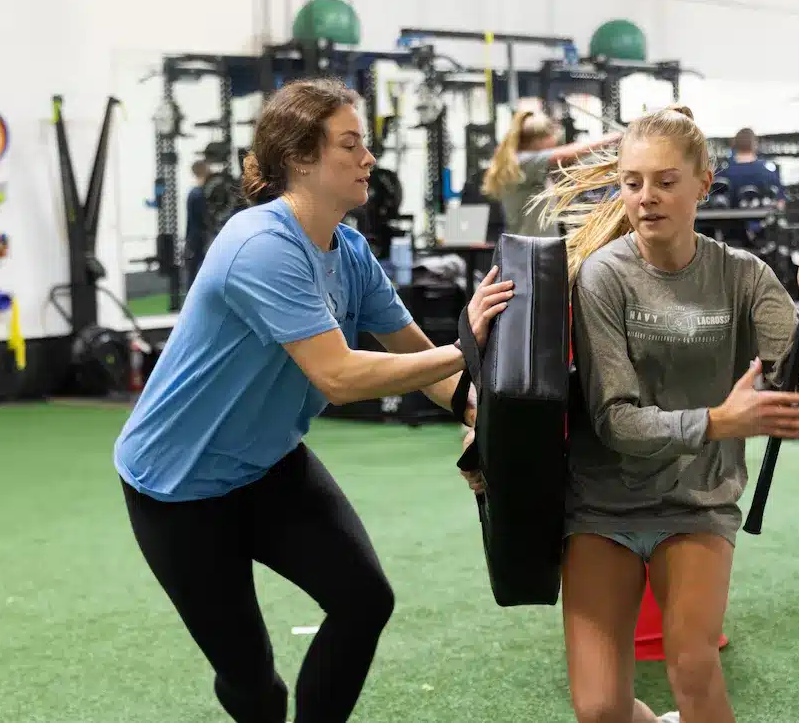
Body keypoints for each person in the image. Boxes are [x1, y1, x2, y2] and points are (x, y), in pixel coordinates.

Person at [114, 77, 515, 723]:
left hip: (267, 466)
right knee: (255, 688)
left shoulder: (350, 252)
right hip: (178, 487)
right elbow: (339, 376)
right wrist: (467, 345)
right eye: (350, 145)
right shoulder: (261, 246)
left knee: (364, 599)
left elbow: (421, 363)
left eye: (367, 145)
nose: (369, 159)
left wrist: (482, 414)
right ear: (301, 159)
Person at [505, 104, 799, 723]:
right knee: (599, 710)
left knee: (693, 667)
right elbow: (617, 422)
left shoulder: (742, 276)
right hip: (602, 503)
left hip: (696, 503)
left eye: (666, 182)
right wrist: (721, 421)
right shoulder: (602, 277)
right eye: (633, 182)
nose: (646, 198)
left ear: (703, 183)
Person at [482, 109, 623, 238]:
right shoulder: (523, 162)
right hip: (529, 247)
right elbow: (567, 154)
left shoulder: (524, 165)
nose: (555, 141)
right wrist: (612, 138)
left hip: (530, 245)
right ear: (539, 140)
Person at [722, 127, 785, 208]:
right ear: (754, 144)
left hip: (729, 219)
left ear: (734, 144)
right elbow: (780, 203)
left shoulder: (724, 171)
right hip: (761, 219)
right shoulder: (766, 171)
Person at [184, 159, 210, 288]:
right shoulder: (199, 194)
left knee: (193, 272)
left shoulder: (193, 193)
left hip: (194, 238)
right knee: (196, 272)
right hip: (200, 238)